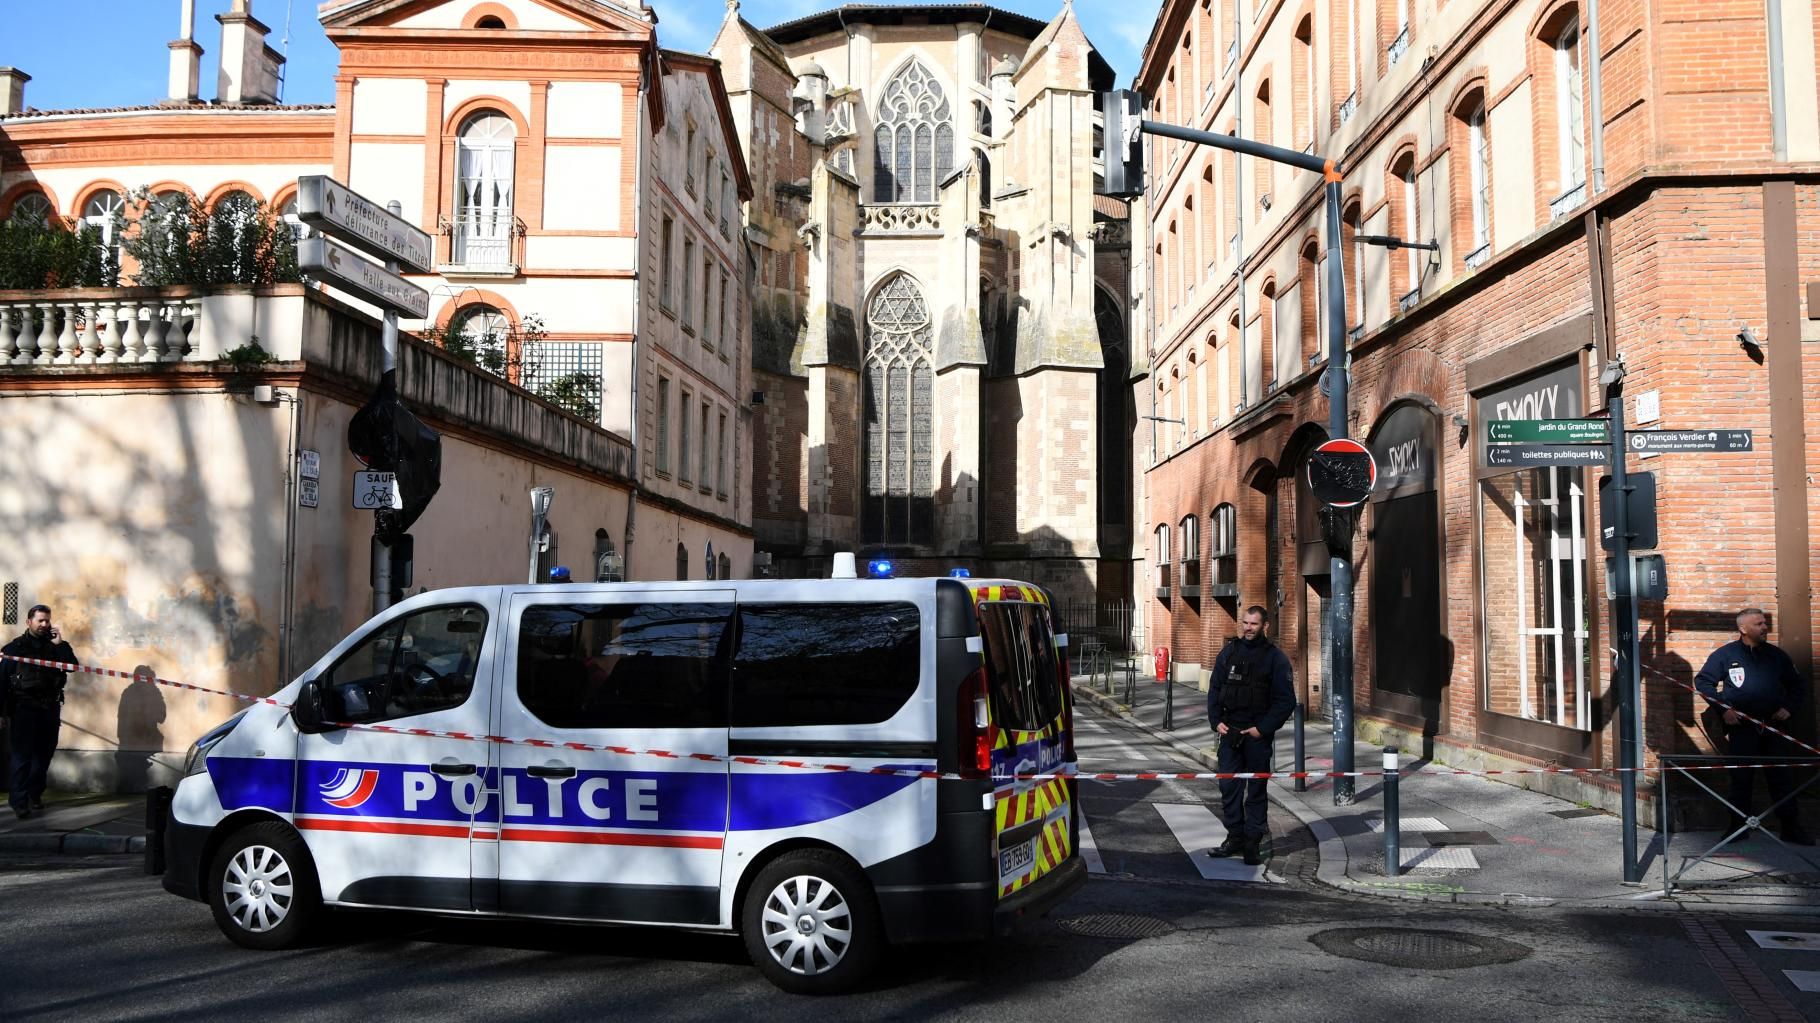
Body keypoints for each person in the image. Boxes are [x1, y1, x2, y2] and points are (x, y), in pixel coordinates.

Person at [1694, 607, 1813, 845]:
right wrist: (1724, 709)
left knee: (1781, 778)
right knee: (1741, 779)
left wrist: (1789, 707)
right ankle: (1737, 827)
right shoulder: (1725, 655)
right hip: (1742, 728)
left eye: (1764, 623)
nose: (1764, 627)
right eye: (1758, 624)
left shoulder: (1777, 656)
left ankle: (1791, 827)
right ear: (1743, 628)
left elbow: (1797, 686)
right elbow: (1703, 682)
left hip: (1773, 727)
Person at [1205, 605, 1296, 865]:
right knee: (1228, 788)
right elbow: (1214, 689)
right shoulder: (1228, 653)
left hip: (1256, 735)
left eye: (1253, 624)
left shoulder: (1275, 659)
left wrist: (1262, 729)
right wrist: (1216, 721)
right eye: (1245, 623)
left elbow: (1285, 701)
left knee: (1256, 790)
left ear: (1265, 626)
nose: (1247, 628)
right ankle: (1234, 837)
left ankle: (1252, 843)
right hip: (1230, 732)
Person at [2, 605, 78, 819]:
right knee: (22, 756)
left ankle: (34, 794)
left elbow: (72, 666)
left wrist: (60, 644)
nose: (45, 625)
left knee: (43, 755)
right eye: (40, 621)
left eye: (47, 621)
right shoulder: (14, 649)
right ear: (29, 622)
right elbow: (1, 681)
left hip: (49, 707)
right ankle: (19, 801)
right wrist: (1, 712)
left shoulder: (56, 646)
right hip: (23, 708)